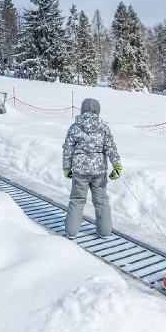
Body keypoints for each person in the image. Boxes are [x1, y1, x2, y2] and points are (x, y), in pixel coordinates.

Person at [62, 98, 122, 239]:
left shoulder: (75, 128)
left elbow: (68, 149)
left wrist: (66, 167)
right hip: (99, 172)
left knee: (77, 200)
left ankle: (71, 232)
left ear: (82, 110)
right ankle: (105, 232)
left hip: (80, 172)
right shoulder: (104, 128)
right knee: (101, 201)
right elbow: (111, 148)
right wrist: (117, 165)